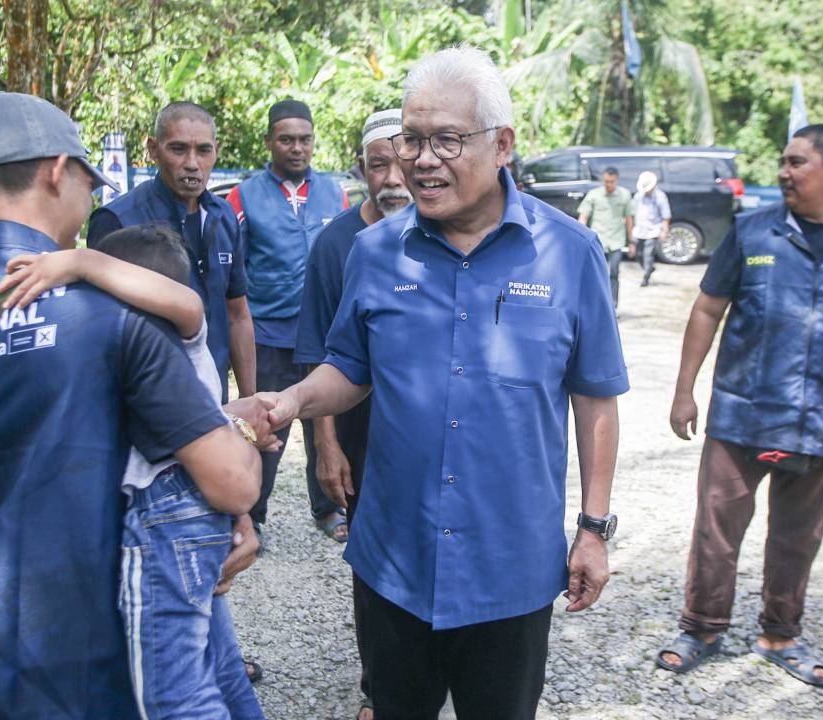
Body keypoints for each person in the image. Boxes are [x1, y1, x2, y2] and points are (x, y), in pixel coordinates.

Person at [260, 46, 628, 719]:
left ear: (503, 145)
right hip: (394, 561)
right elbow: (349, 369)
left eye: (448, 140)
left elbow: (595, 393)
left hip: (511, 568)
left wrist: (594, 528)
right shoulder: (374, 252)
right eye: (413, 139)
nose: (422, 159)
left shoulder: (570, 252)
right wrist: (291, 400)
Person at [0, 91, 268, 718]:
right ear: (56, 170)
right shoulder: (109, 312)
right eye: (85, 178)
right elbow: (232, 482)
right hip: (88, 645)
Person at [656, 124, 823, 689]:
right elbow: (706, 310)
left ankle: (780, 635)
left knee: (798, 535)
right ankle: (701, 629)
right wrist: (684, 388)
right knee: (717, 529)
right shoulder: (753, 233)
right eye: (783, 162)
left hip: (821, 422)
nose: (783, 173)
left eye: (796, 163)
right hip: (742, 418)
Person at [0, 226, 271, 719]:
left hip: (166, 514)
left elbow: (186, 301)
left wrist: (81, 263)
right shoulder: (160, 347)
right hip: (192, 515)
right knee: (220, 662)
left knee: (169, 691)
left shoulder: (177, 334)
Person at [293, 107, 412, 720]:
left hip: (423, 431)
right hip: (360, 433)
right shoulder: (338, 244)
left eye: (401, 159)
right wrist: (327, 447)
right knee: (373, 561)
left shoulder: (436, 231)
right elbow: (316, 352)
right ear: (360, 169)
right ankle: (380, 688)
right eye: (378, 163)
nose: (392, 176)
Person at [227, 99, 350, 545]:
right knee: (266, 426)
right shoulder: (244, 196)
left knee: (325, 426)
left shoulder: (334, 193)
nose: (297, 148)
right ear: (269, 142)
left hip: (323, 333)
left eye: (304, 139)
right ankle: (250, 516)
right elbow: (234, 270)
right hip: (269, 335)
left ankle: (330, 509)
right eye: (287, 139)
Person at [88, 101, 255, 406]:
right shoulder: (118, 220)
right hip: (144, 404)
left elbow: (237, 315)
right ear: (153, 149)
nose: (192, 163)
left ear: (216, 150)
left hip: (214, 400)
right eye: (178, 149)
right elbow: (99, 329)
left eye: (203, 151)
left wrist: (248, 400)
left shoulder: (224, 216)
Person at [577, 166, 633, 309]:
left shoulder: (624, 195)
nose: (609, 185)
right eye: (606, 181)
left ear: (617, 180)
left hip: (616, 241)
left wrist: (631, 241)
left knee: (614, 273)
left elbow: (629, 219)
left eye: (612, 182)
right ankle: (594, 305)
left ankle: (613, 305)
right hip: (597, 240)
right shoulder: (594, 195)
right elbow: (583, 216)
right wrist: (580, 237)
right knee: (594, 274)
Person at [631, 170, 670, 287]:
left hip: (653, 229)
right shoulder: (638, 196)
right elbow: (633, 213)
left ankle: (646, 278)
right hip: (639, 230)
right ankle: (649, 268)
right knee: (638, 255)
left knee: (648, 254)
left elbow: (666, 216)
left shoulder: (660, 197)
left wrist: (664, 230)